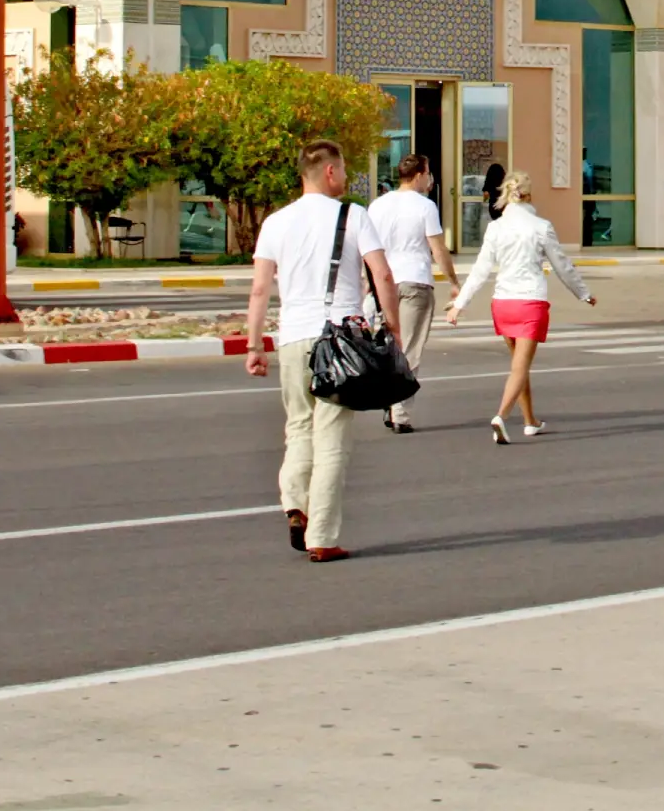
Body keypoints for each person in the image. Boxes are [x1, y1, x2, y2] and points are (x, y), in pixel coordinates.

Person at [245, 139, 401, 563]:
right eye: (345, 169)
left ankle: (295, 500)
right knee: (331, 438)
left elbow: (260, 288)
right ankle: (322, 536)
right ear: (330, 172)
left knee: (298, 426)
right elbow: (383, 275)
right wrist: (393, 328)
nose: (347, 177)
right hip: (340, 342)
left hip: (293, 338)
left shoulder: (276, 222)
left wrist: (255, 344)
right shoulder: (354, 216)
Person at [447, 170, 596, 443]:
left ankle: (530, 421)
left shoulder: (495, 227)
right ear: (529, 194)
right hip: (530, 302)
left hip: (503, 303)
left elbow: (481, 270)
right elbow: (562, 265)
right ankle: (501, 416)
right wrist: (583, 293)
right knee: (520, 367)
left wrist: (460, 303)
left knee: (520, 364)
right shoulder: (541, 227)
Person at [367, 153, 461, 434]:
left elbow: (368, 250)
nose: (430, 179)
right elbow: (438, 248)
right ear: (420, 174)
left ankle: (388, 401)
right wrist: (453, 281)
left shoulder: (377, 205)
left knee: (385, 347)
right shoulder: (425, 207)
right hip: (415, 282)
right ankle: (400, 413)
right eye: (428, 172)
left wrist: (366, 283)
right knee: (409, 348)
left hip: (382, 283)